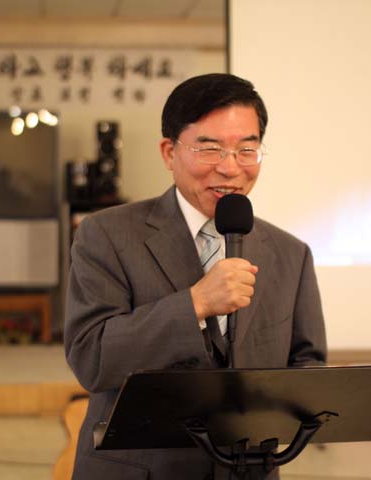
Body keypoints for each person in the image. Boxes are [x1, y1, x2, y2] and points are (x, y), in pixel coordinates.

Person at [64, 73, 327, 479]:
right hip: (140, 470)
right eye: (209, 149)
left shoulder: (290, 253)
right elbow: (91, 357)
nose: (230, 168)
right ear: (169, 152)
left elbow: (307, 364)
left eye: (247, 149)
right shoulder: (106, 234)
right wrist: (195, 304)